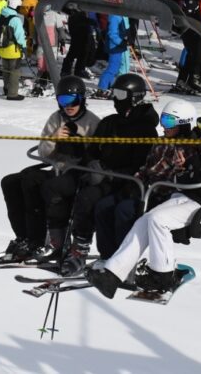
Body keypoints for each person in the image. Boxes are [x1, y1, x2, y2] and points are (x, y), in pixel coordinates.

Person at [86, 101, 201, 297]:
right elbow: (200, 172)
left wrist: (194, 167)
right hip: (196, 195)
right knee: (146, 219)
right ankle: (113, 274)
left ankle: (163, 274)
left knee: (158, 220)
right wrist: (195, 163)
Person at [52, 74, 158, 276]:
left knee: (92, 199)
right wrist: (91, 162)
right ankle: (70, 246)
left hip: (127, 183)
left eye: (120, 94)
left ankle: (97, 254)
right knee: (63, 189)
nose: (115, 99)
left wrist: (109, 174)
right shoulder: (110, 122)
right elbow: (93, 150)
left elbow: (141, 163)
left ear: (134, 97)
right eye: (114, 93)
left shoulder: (145, 129)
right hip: (102, 177)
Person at [0, 76, 102, 260]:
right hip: (57, 167)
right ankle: (23, 237)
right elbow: (43, 153)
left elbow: (97, 157)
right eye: (63, 101)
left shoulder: (92, 122)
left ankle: (38, 239)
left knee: (34, 182)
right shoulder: (56, 119)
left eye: (73, 100)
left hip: (77, 173)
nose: (68, 106)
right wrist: (53, 139)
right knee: (10, 182)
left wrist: (81, 146)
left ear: (82, 99)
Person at [95, 98, 201, 261]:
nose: (163, 126)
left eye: (168, 121)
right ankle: (107, 256)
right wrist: (134, 182)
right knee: (103, 206)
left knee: (124, 210)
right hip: (143, 190)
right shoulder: (160, 143)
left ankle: (123, 261)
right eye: (163, 120)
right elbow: (146, 168)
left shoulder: (189, 149)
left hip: (162, 196)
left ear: (182, 124)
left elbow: (176, 177)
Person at [0, 0, 27, 100]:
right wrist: (24, 48)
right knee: (14, 71)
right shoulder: (15, 19)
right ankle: (12, 94)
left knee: (6, 69)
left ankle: (6, 88)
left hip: (1, 48)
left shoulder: (1, 15)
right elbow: (19, 36)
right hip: (12, 49)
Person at [96, 10, 130, 94]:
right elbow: (112, 33)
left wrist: (125, 40)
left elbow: (122, 30)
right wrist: (121, 42)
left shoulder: (120, 15)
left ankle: (108, 86)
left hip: (118, 46)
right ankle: (102, 87)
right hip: (114, 46)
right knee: (112, 68)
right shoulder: (115, 16)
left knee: (115, 68)